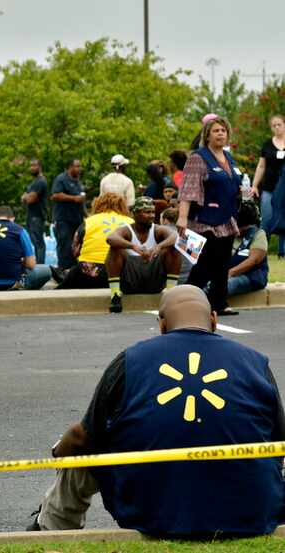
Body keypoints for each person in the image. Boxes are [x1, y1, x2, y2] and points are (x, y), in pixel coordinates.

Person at [27, 285, 285, 538]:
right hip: (250, 511)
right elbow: (278, 441)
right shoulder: (254, 363)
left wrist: (59, 453)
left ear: (161, 325)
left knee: (84, 448)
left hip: (153, 513)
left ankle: (49, 531)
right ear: (214, 320)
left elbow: (82, 437)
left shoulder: (131, 360)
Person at [178, 115, 242, 316]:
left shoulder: (228, 158)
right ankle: (185, 303)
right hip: (203, 220)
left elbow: (232, 183)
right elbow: (188, 190)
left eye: (223, 130)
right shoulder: (198, 158)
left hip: (226, 218)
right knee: (204, 263)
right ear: (207, 135)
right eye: (216, 131)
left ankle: (219, 302)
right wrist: (182, 217)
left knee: (222, 263)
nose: (220, 134)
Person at [106, 197, 180, 313]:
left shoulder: (158, 230)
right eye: (147, 212)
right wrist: (133, 247)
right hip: (130, 282)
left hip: (154, 282)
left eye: (153, 212)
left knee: (172, 248)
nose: (151, 215)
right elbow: (111, 238)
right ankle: (115, 295)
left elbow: (175, 236)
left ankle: (171, 294)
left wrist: (159, 246)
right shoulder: (126, 230)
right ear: (135, 214)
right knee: (115, 249)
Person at [53, 193, 133, 290]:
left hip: (90, 274)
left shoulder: (88, 221)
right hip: (123, 275)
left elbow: (75, 251)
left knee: (72, 276)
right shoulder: (132, 222)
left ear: (97, 204)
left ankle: (65, 275)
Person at [0, 205, 51, 292]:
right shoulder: (20, 230)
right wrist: (20, 261)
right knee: (46, 271)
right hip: (9, 282)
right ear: (13, 218)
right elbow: (30, 264)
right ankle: (23, 286)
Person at [251, 114, 285, 258]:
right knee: (266, 219)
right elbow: (261, 166)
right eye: (274, 125)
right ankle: (261, 252)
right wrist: (254, 186)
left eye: (279, 124)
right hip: (269, 188)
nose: (277, 127)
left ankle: (282, 253)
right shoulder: (267, 144)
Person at [227, 201, 269, 297]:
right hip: (226, 274)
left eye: (242, 228)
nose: (238, 231)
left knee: (230, 284)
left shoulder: (258, 234)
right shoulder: (226, 232)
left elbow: (253, 260)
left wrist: (230, 273)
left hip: (251, 276)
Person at [51, 159, 85, 270]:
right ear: (70, 167)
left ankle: (73, 270)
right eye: (77, 166)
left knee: (76, 245)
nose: (79, 169)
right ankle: (63, 270)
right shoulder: (61, 179)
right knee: (65, 245)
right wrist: (74, 198)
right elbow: (55, 195)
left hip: (77, 219)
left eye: (80, 166)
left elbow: (81, 202)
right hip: (63, 219)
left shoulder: (78, 182)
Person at [21, 159, 48, 263]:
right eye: (30, 165)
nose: (32, 168)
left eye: (34, 165)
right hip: (32, 216)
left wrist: (25, 197)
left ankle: (40, 267)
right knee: (35, 243)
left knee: (39, 243)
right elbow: (29, 197)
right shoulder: (35, 182)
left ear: (40, 167)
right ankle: (38, 265)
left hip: (37, 216)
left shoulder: (40, 181)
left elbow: (30, 199)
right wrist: (26, 197)